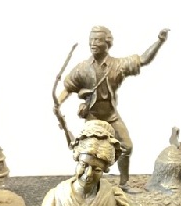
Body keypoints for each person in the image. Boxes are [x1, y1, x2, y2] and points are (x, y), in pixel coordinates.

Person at [55, 25, 169, 186]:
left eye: (97, 40)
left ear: (107, 43)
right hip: (92, 118)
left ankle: (123, 183)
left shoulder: (117, 65)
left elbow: (143, 60)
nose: (93, 43)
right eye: (91, 40)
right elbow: (68, 88)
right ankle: (89, 183)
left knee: (127, 147)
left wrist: (160, 40)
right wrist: (58, 103)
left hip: (111, 116)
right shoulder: (82, 68)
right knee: (90, 152)